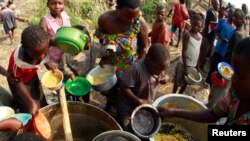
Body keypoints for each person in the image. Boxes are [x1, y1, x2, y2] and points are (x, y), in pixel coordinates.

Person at [158, 37, 250, 125]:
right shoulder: (234, 93)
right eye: (233, 73)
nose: (233, 80)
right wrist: (174, 112)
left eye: (241, 77)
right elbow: (213, 115)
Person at [95, 0, 148, 111]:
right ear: (117, 8)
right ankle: (109, 105)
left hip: (130, 66)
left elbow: (143, 48)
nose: (131, 20)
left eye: (135, 16)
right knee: (109, 91)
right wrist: (104, 58)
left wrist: (138, 69)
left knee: (125, 94)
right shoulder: (105, 20)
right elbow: (102, 42)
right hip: (110, 66)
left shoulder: (139, 23)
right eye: (127, 16)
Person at [116, 43, 170, 132]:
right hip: (127, 107)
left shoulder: (158, 67)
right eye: (157, 68)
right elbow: (124, 87)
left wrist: (166, 78)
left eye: (163, 69)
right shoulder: (135, 69)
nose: (160, 72)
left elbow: (163, 73)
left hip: (143, 105)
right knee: (126, 128)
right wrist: (139, 101)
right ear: (148, 58)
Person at [7, 26, 50, 115]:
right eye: (37, 55)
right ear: (26, 50)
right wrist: (30, 102)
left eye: (44, 52)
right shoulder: (19, 61)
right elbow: (18, 81)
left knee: (40, 101)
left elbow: (43, 56)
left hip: (32, 76)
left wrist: (49, 65)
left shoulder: (40, 47)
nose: (42, 57)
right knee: (29, 108)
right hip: (19, 83)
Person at [59, 25, 108, 103]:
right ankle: (76, 101)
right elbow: (63, 66)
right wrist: (69, 73)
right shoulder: (67, 51)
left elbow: (105, 51)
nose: (88, 45)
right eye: (85, 43)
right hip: (75, 81)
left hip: (87, 80)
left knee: (86, 97)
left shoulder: (93, 46)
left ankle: (85, 103)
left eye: (89, 41)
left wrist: (108, 44)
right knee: (75, 97)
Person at [172, 13, 203, 94]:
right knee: (177, 81)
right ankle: (173, 94)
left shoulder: (200, 37)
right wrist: (185, 67)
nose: (197, 27)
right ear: (191, 23)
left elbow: (198, 52)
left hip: (192, 65)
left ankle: (179, 95)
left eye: (199, 26)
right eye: (195, 24)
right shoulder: (187, 34)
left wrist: (198, 65)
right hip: (184, 64)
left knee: (185, 83)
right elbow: (184, 51)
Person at [204, 7, 234, 88]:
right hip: (219, 49)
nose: (232, 16)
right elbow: (216, 31)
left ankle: (214, 83)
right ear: (229, 14)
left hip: (225, 53)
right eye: (231, 14)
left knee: (219, 70)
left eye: (233, 15)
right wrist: (223, 38)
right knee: (213, 66)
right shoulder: (223, 21)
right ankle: (207, 81)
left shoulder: (234, 28)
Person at [40, 0, 71, 67]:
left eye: (60, 3)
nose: (57, 6)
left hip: (67, 56)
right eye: (53, 3)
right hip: (54, 60)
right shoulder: (45, 21)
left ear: (64, 4)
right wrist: (46, 63)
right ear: (47, 4)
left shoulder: (64, 15)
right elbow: (40, 45)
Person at [199, 0, 219, 73]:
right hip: (207, 35)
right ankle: (197, 66)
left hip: (212, 36)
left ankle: (201, 66)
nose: (217, 6)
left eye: (218, 5)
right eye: (216, 4)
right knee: (203, 52)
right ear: (212, 4)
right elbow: (214, 26)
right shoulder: (210, 11)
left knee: (208, 53)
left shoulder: (216, 12)